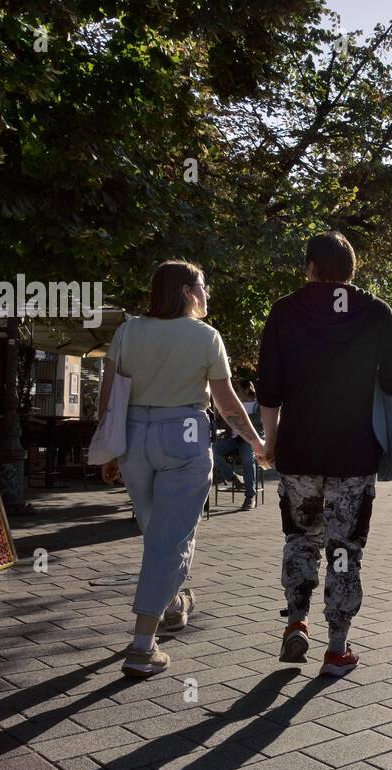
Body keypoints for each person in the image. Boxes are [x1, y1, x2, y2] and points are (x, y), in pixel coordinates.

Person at [99, 260, 266, 679]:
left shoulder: (128, 330)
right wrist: (257, 444)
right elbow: (227, 404)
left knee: (156, 530)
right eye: (203, 286)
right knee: (171, 539)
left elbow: (109, 392)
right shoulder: (205, 337)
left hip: (134, 435)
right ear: (188, 292)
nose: (208, 294)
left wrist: (106, 447)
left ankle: (172, 605)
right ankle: (142, 645)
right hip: (184, 432)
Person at [257, 232, 392, 678]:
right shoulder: (376, 312)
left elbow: (269, 388)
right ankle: (337, 648)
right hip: (354, 452)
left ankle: (295, 621)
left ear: (308, 266)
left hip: (299, 450)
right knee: (345, 547)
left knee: (300, 539)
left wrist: (271, 443)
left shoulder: (284, 311)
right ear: (352, 268)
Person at [212, 379, 263, 511]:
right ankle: (233, 478)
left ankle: (250, 495)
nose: (236, 392)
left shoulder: (258, 405)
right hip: (233, 440)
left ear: (247, 390)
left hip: (249, 440)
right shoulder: (236, 404)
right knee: (211, 450)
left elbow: (256, 422)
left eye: (238, 390)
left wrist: (236, 418)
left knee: (247, 458)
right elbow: (227, 420)